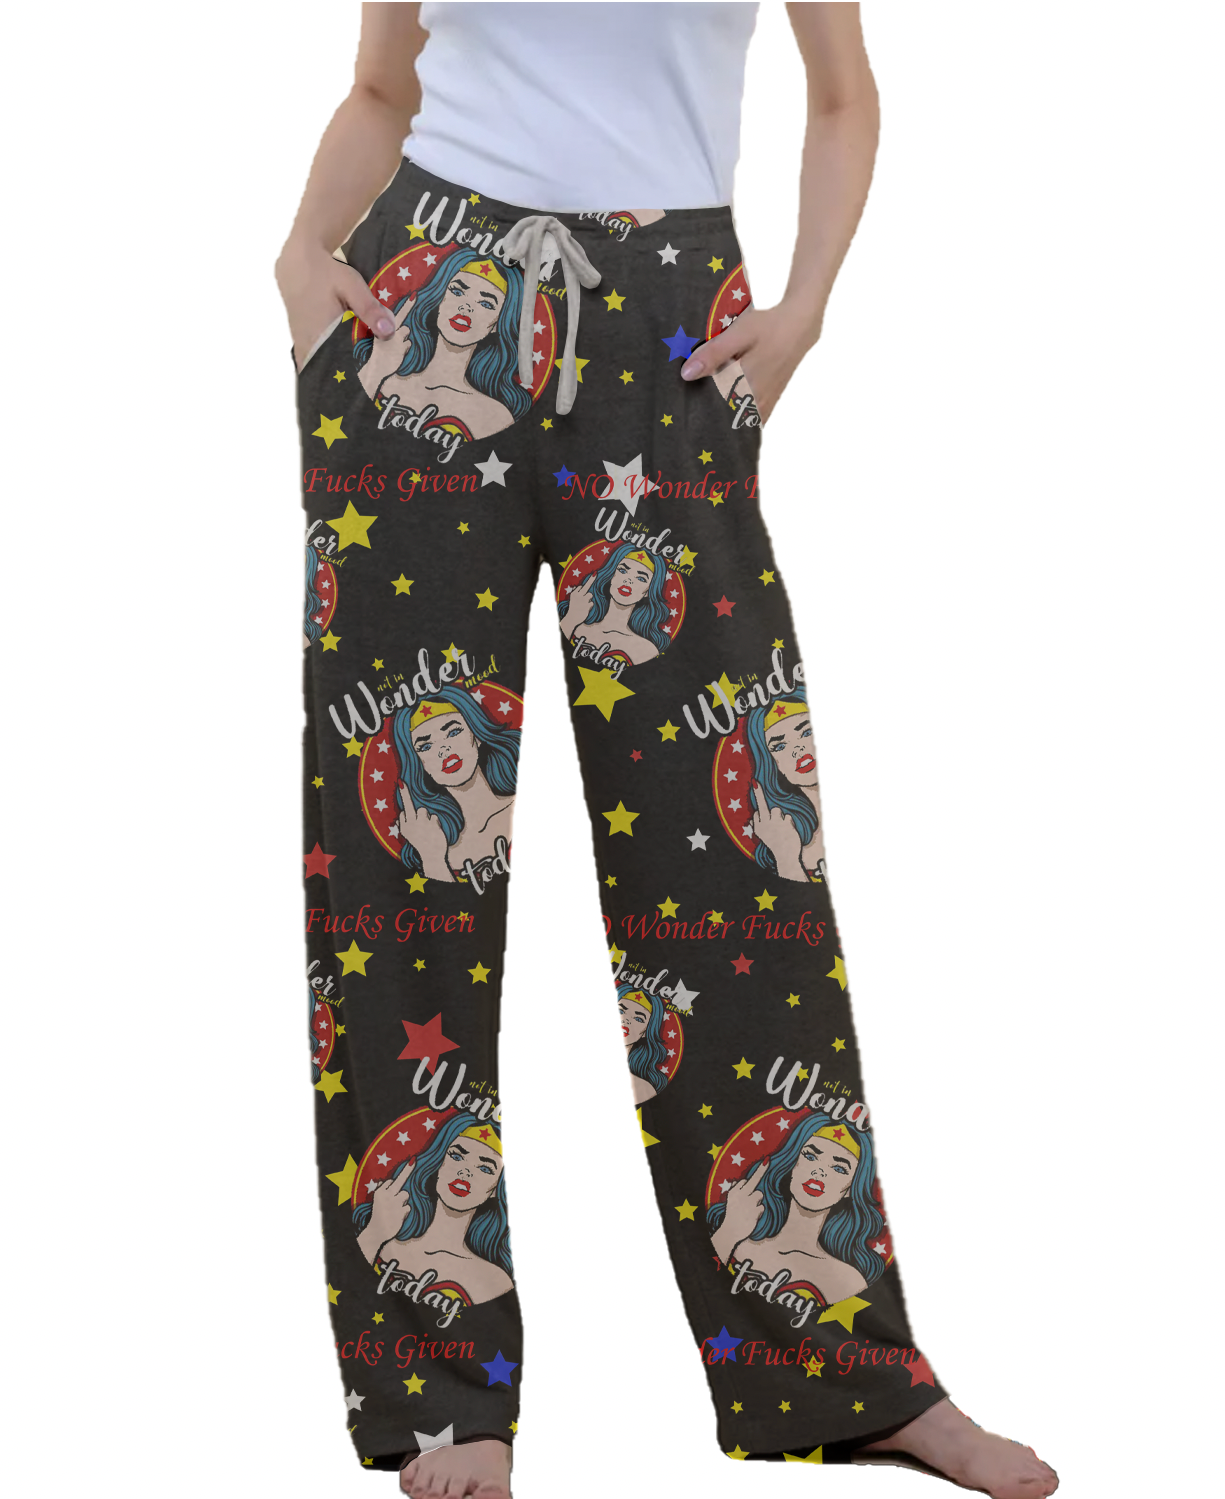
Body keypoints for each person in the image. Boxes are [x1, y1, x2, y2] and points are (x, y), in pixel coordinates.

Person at [276, 6, 1059, 1498]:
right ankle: (440, 1389)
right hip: (423, 297)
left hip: (671, 318)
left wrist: (805, 308)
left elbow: (843, 95)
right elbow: (382, 85)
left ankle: (838, 1370)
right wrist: (301, 260)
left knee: (743, 872)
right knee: (403, 875)